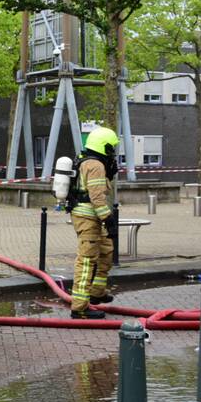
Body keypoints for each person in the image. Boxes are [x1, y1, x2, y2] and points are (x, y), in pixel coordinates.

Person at [69, 126, 119, 320]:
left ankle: (96, 293)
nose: (113, 153)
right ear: (104, 147)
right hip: (88, 217)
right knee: (87, 259)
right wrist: (108, 219)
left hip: (92, 215)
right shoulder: (95, 165)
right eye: (112, 148)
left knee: (106, 250)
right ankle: (79, 307)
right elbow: (97, 197)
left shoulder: (93, 162)